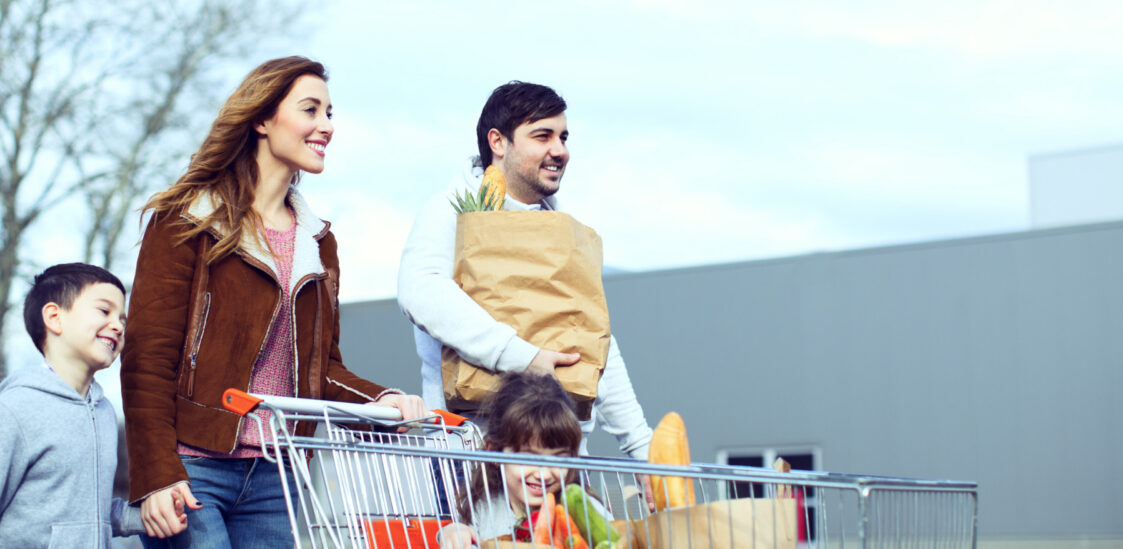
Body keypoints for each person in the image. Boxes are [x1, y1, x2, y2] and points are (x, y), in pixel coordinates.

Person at [121, 56, 428, 548]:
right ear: (262, 119)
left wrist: (383, 399)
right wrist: (156, 474)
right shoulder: (187, 221)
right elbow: (148, 360)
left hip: (278, 475)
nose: (326, 126)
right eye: (311, 110)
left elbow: (321, 370)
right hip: (193, 467)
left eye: (330, 113)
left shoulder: (318, 243)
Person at [397, 81, 652, 460]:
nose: (559, 150)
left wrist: (642, 446)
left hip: (558, 455)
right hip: (473, 454)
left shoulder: (564, 231)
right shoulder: (449, 210)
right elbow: (421, 290)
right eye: (542, 136)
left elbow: (596, 345)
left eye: (563, 137)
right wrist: (523, 358)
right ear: (498, 142)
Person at [0, 263, 180, 547]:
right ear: (54, 318)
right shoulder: (15, 409)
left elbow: (87, 509)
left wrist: (141, 518)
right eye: (104, 311)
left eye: (122, 318)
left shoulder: (104, 412)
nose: (118, 325)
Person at [437, 372, 613, 549]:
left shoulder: (586, 512)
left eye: (559, 458)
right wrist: (452, 530)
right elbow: (460, 536)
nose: (543, 475)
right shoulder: (482, 507)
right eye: (528, 458)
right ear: (494, 452)